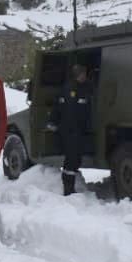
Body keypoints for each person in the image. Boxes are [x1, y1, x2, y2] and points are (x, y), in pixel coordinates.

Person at [50, 61, 94, 196]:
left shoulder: (84, 88)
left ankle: (70, 187)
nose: (84, 76)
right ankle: (68, 189)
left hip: (78, 131)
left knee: (75, 159)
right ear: (77, 75)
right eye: (83, 74)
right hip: (70, 131)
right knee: (71, 159)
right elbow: (63, 110)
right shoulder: (70, 90)